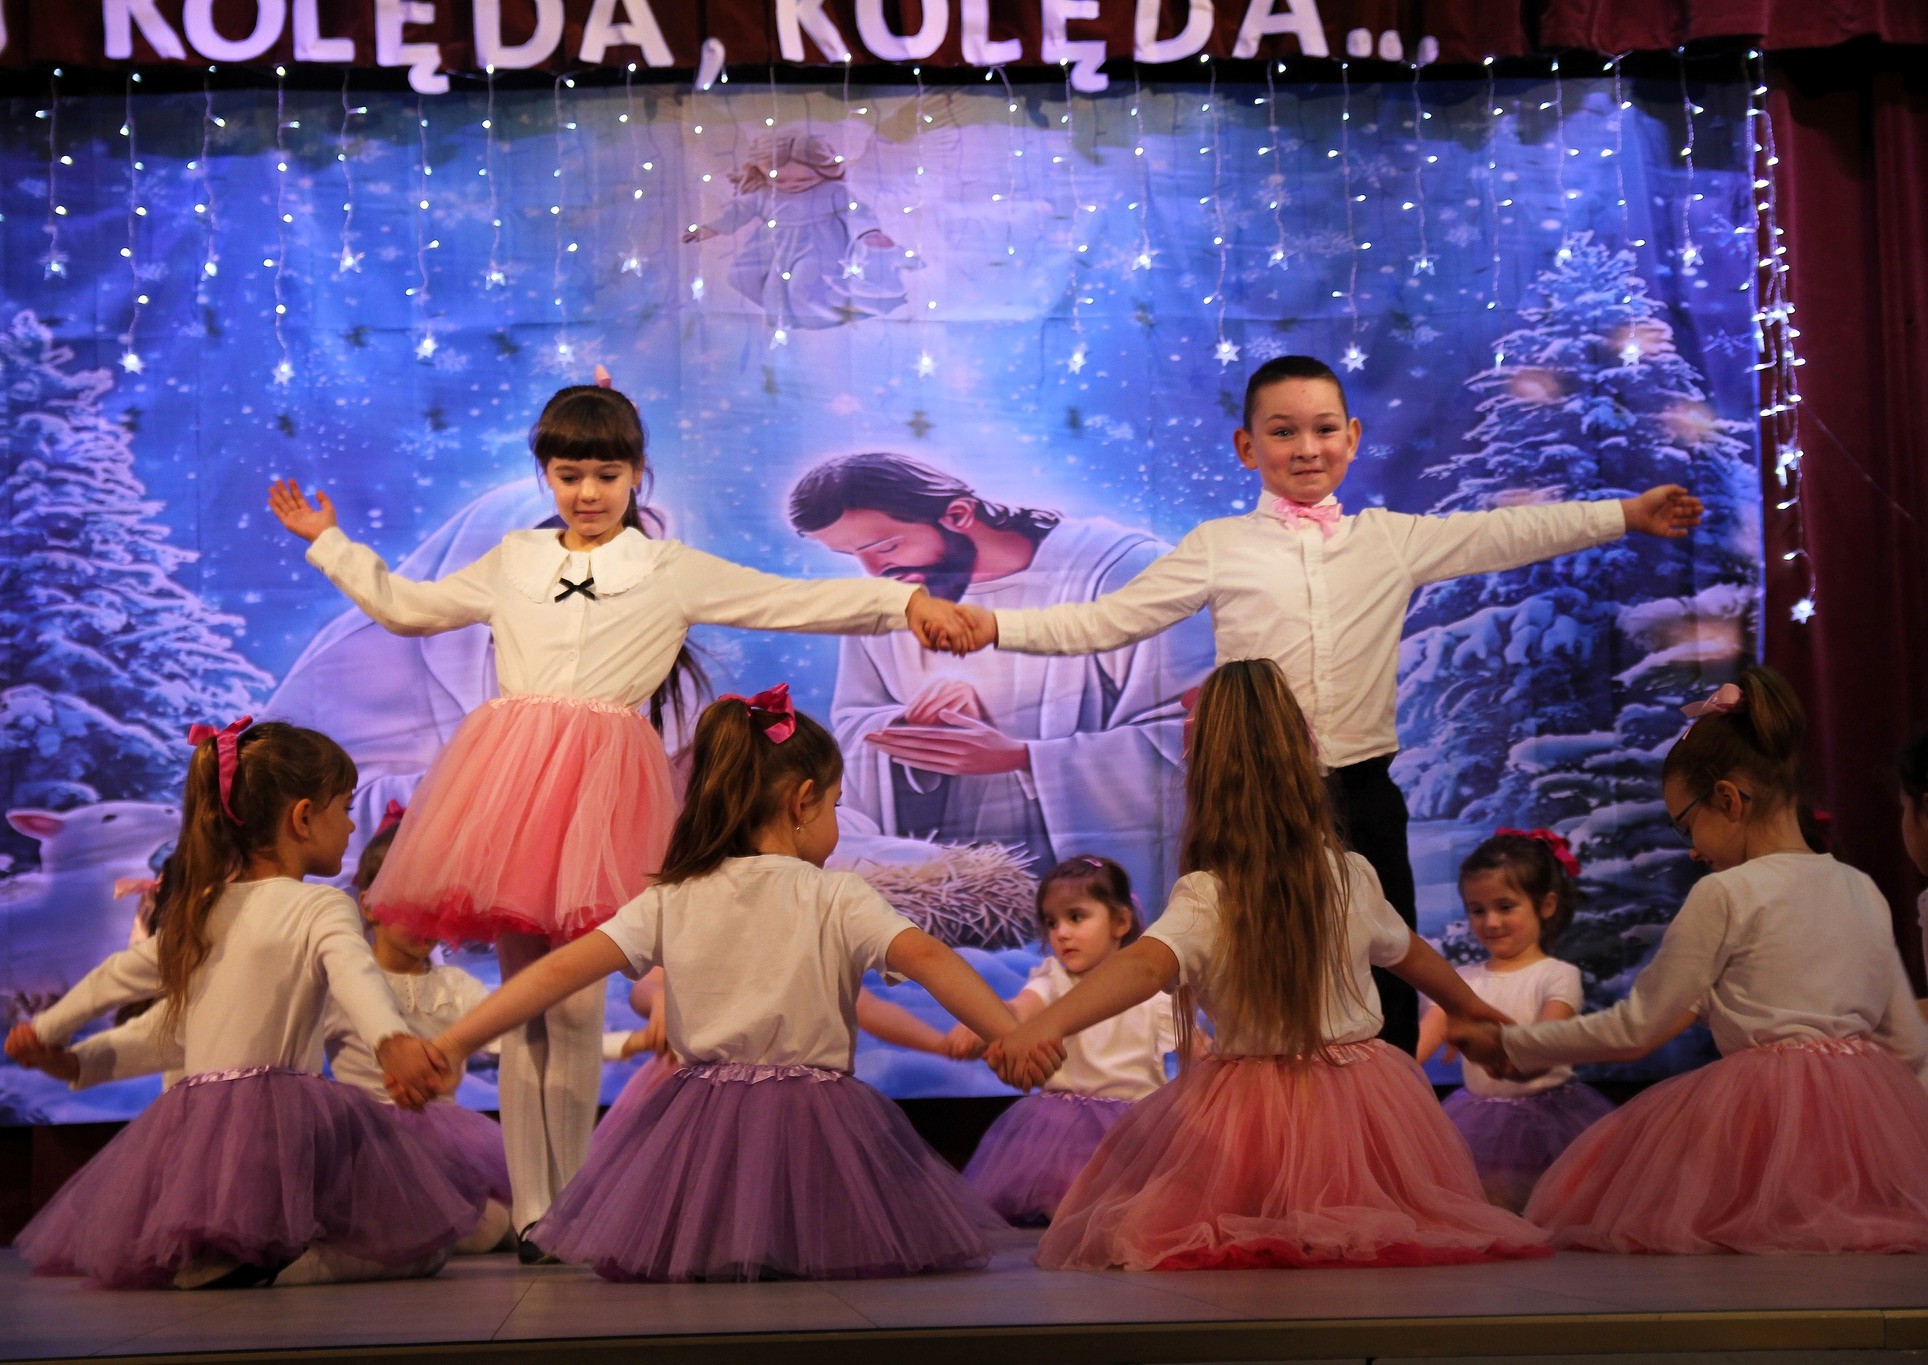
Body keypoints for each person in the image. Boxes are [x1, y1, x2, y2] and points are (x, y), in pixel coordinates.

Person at [268, 378, 970, 1243]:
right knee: (524, 1004)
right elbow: (410, 609)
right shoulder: (515, 559)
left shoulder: (666, 569)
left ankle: (565, 1208)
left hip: (603, 800)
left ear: (638, 474)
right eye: (569, 476)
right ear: (545, 476)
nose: (588, 494)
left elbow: (791, 599)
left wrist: (902, 601)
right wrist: (330, 542)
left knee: (571, 1008)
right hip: (509, 791)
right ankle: (535, 1209)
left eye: (606, 475)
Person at [957, 356, 1703, 1053]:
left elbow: (1504, 533)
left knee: (1386, 966)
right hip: (1254, 798)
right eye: (1283, 432)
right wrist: (994, 627)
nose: (1307, 448)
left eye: (1323, 429)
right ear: (1248, 448)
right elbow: (1107, 620)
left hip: (1360, 792)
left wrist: (1626, 513)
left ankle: (1384, 1113)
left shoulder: (1389, 541)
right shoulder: (1220, 546)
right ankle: (1272, 1107)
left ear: (1352, 438)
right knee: (1253, 962)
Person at [418, 687, 1027, 1281]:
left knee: (712, 1261)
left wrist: (452, 1043)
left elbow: (555, 972)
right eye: (836, 805)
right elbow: (926, 956)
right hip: (815, 1119)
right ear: (803, 801)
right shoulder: (836, 894)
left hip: (702, 1123)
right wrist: (1012, 1033)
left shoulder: (675, 897)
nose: (837, 821)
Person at [988, 660, 1548, 1270]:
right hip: (1357, 1098)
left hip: (1250, 1110)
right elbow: (1410, 953)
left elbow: (1146, 966)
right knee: (1350, 1231)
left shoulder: (1210, 894)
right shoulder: (1348, 875)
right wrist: (1471, 1008)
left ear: (1203, 775)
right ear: (1305, 760)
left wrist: (1045, 1024)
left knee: (1254, 1237)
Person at [1454, 669, 1928, 1253]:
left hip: (1765, 1121)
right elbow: (1905, 1042)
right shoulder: (1860, 888)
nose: (1695, 851)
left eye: (1687, 828)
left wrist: (1514, 1044)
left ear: (1727, 799)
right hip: (1857, 1124)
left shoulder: (1726, 892)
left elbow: (1636, 1029)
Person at [4, 720, 472, 1288]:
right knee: (421, 1249)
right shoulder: (320, 905)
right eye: (345, 808)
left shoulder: (200, 913)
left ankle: (231, 1256)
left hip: (196, 1133)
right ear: (304, 817)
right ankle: (281, 1264)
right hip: (279, 1120)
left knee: (254, 1221)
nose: (353, 825)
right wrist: (390, 1040)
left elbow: (139, 1000)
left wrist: (56, 1038)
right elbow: (356, 975)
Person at [789, 451, 1213, 900]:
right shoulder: (892, 599)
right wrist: (910, 724)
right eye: (852, 556)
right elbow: (856, 721)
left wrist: (1024, 758)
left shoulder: (1122, 571)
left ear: (957, 515)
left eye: (887, 547)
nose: (875, 571)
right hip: (964, 889)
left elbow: (1196, 733)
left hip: (1089, 891)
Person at [959, 855, 1178, 1225]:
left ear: (1120, 922)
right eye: (1052, 922)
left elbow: (1193, 1043)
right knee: (1069, 1199)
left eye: (1076, 917)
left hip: (1134, 1125)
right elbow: (1021, 1008)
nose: (1061, 933)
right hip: (1063, 1128)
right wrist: (987, 1023)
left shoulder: (1151, 994)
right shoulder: (1053, 981)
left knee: (1143, 1203)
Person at [1416, 830, 1614, 1211]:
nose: (1491, 922)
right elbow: (1419, 1046)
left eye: (1505, 907)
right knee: (1485, 1205)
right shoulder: (1460, 983)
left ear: (1546, 905)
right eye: (1477, 910)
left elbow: (1545, 1041)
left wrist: (1492, 1043)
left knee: (1547, 1207)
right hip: (1475, 1121)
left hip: (1550, 1118)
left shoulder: (1557, 975)